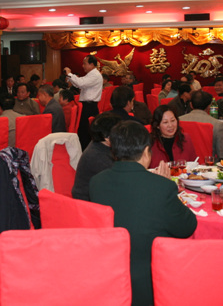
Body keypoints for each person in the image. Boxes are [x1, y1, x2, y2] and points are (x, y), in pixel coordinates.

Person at [90, 121, 197, 306]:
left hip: (109, 273)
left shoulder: (96, 182)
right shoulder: (161, 187)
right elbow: (187, 227)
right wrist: (167, 187)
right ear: (147, 152)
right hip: (151, 281)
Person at [71, 113, 121, 201]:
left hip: (101, 194)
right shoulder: (97, 156)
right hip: (88, 203)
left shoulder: (101, 145)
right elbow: (119, 179)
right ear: (107, 137)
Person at [64, 55, 103, 149]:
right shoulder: (91, 74)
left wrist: (70, 74)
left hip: (89, 107)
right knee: (83, 131)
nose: (83, 66)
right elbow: (79, 84)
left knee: (85, 132)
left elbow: (81, 83)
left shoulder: (95, 75)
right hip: (87, 106)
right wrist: (70, 76)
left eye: (85, 64)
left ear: (92, 64)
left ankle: (85, 150)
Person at [149, 104, 197, 169]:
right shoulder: (150, 143)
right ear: (157, 125)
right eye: (165, 122)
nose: (170, 125)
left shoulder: (185, 139)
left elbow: (194, 165)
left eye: (173, 120)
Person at [179, 90, 223, 156]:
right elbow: (221, 151)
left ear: (191, 105)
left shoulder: (178, 121)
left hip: (183, 161)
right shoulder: (217, 124)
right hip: (208, 161)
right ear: (209, 106)